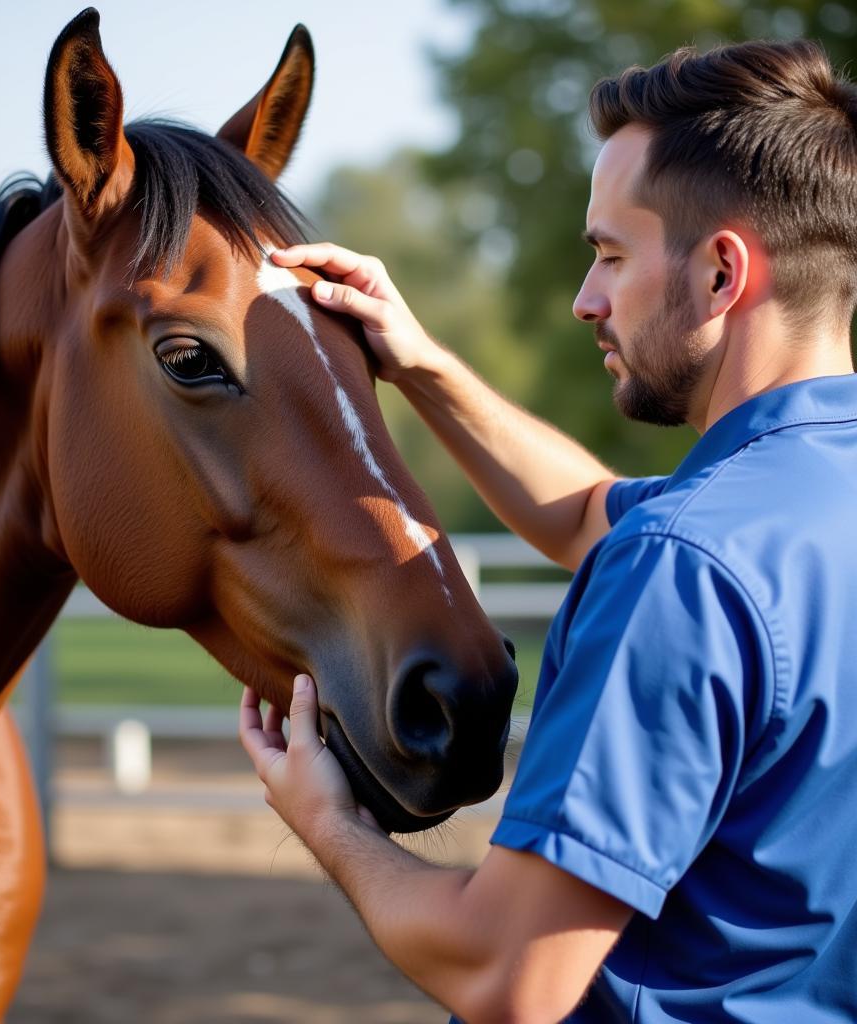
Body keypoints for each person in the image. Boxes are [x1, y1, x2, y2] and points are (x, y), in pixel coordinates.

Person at [239, 38, 857, 1023]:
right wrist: (423, 362)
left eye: (611, 254)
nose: (586, 300)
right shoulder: (784, 509)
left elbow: (507, 976)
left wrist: (328, 821)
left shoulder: (680, 568)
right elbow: (581, 511)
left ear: (719, 273)